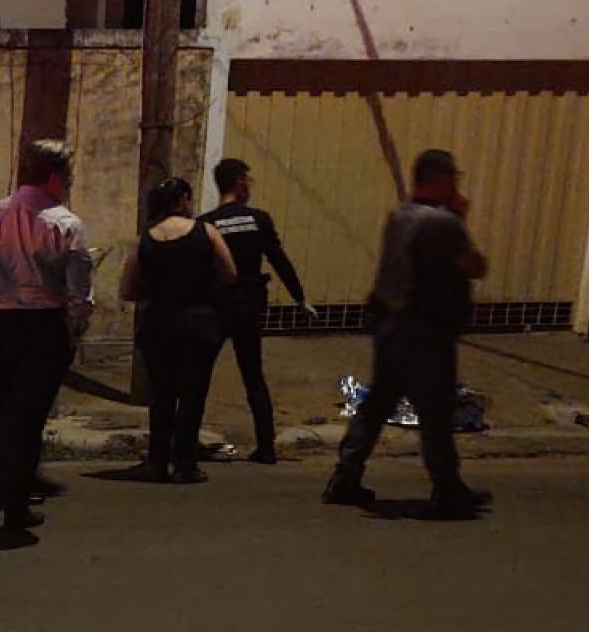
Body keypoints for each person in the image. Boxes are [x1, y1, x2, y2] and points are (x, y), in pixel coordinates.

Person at [322, 149, 492, 517]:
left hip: (391, 323)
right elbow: (475, 266)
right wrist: (460, 218)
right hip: (424, 330)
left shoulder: (400, 215)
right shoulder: (442, 224)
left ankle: (345, 476)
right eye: (453, 178)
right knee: (435, 410)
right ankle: (447, 488)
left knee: (378, 403)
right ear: (439, 180)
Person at [0, 140, 95, 530]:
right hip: (42, 326)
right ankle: (14, 504)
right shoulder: (65, 225)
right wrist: (73, 331)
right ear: (54, 178)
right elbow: (78, 293)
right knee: (27, 420)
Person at [196, 158, 317, 464]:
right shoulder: (259, 219)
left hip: (217, 305)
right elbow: (278, 259)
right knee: (253, 375)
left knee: (199, 375)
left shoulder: (206, 223)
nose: (249, 187)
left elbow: (200, 269)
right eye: (248, 181)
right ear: (239, 183)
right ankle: (265, 446)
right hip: (248, 305)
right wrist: (300, 298)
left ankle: (187, 441)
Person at [119, 177, 237, 484]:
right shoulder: (206, 232)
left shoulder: (145, 239)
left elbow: (127, 289)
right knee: (193, 393)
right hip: (199, 321)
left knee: (162, 394)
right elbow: (229, 273)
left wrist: (155, 291)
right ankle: (185, 464)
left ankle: (157, 461)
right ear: (183, 199)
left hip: (159, 322)